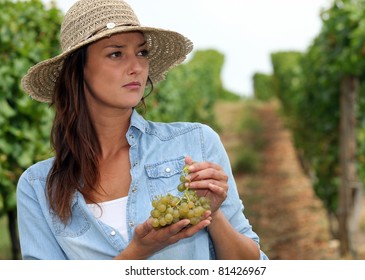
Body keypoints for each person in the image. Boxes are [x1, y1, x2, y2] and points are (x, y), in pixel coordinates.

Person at [17, 0, 267, 260]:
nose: (136, 67)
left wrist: (212, 215)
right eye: (116, 54)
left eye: (142, 53)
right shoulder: (37, 187)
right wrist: (138, 253)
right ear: (78, 71)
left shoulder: (196, 144)